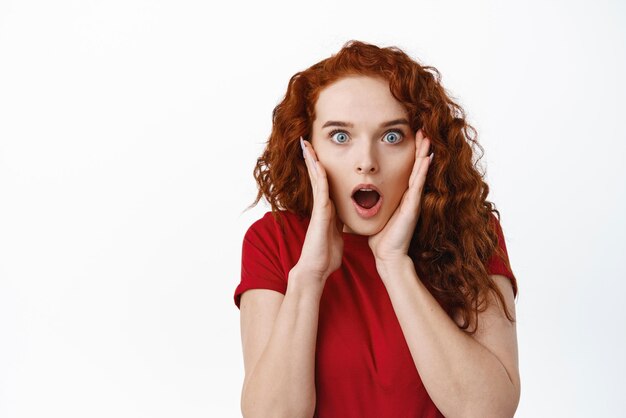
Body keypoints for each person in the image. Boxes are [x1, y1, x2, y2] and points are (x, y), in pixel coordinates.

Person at [233, 40, 520, 418]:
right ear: (308, 149)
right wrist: (310, 277)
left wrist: (394, 264)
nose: (366, 162)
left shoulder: (472, 230)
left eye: (391, 136)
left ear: (425, 148)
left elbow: (487, 411)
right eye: (340, 136)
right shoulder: (272, 240)